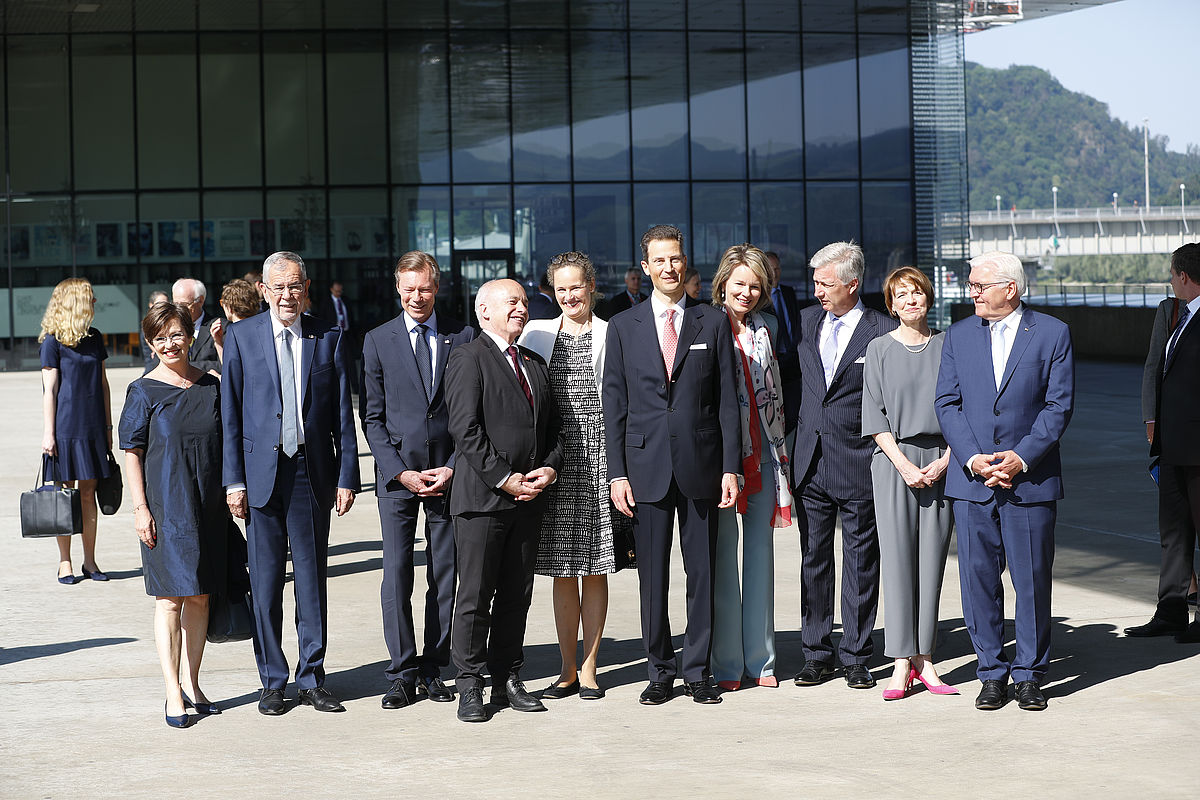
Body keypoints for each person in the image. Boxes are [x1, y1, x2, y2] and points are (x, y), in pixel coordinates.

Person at [603, 224, 741, 706]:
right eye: (659, 260)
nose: (669, 267)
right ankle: (659, 670)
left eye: (676, 258)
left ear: (686, 262)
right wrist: (616, 474)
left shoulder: (713, 321)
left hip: (703, 465)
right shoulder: (623, 326)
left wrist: (731, 467)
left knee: (702, 574)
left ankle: (697, 671)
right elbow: (613, 405)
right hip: (644, 468)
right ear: (645, 267)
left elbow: (729, 400)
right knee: (653, 577)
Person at [222, 251, 360, 716]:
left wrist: (347, 476)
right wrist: (233, 481)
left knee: (311, 579)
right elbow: (231, 416)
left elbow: (343, 411)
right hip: (260, 476)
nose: (287, 295)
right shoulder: (241, 336)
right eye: (278, 287)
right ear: (262, 290)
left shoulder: (329, 336)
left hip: (310, 474)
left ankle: (312, 676)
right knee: (264, 584)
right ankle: (272, 680)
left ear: (307, 288)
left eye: (295, 286)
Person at [935, 250, 1074, 712]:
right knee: (978, 582)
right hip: (972, 482)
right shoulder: (957, 336)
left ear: (1010, 288)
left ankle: (1030, 675)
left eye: (979, 285)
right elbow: (947, 404)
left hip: (1029, 482)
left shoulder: (1052, 334)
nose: (970, 292)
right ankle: (991, 673)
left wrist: (1020, 458)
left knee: (1032, 580)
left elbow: (1058, 407)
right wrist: (974, 459)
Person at [444, 279, 563, 723]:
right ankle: (470, 685)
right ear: (484, 311)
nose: (521, 308)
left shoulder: (532, 362)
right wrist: (505, 478)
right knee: (475, 596)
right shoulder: (468, 358)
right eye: (511, 301)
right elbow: (465, 430)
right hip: (482, 500)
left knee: (517, 595)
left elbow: (552, 427)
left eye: (524, 302)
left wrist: (549, 467)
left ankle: (507, 677)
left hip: (529, 499)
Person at [362, 251, 474, 710]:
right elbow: (371, 417)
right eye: (408, 289)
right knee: (396, 575)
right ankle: (402, 672)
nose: (416, 297)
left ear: (437, 287)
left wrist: (451, 466)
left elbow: (470, 413)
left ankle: (433, 666)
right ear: (397, 288)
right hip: (397, 478)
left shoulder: (462, 338)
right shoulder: (376, 340)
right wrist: (400, 471)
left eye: (424, 288)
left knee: (445, 575)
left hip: (448, 474)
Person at [519, 251, 630, 701]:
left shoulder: (613, 333)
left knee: (595, 569)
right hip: (554, 464)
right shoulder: (536, 334)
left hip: (599, 463)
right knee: (562, 571)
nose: (569, 296)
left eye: (576, 287)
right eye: (560, 288)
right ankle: (566, 669)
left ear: (591, 287)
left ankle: (590, 667)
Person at [791, 241, 897, 691]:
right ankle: (816, 653)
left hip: (858, 461)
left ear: (853, 285)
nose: (817, 291)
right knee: (813, 560)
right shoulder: (804, 322)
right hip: (810, 462)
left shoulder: (882, 331)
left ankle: (855, 654)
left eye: (826, 284)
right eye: (815, 282)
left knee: (860, 563)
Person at [120, 303, 229, 728]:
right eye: (160, 337)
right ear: (150, 344)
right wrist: (140, 508)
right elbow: (132, 453)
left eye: (177, 335)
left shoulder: (211, 385)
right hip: (165, 508)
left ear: (190, 336)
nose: (170, 344)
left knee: (200, 596)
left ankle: (194, 683)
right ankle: (172, 690)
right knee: (169, 599)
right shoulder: (143, 391)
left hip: (208, 505)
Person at [862, 267, 956, 700]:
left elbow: (964, 411)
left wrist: (944, 463)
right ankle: (901, 662)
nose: (911, 300)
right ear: (892, 304)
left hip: (942, 460)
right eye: (902, 295)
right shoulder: (878, 349)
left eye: (917, 293)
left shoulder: (948, 346)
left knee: (931, 562)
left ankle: (926, 660)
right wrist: (903, 466)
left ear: (929, 298)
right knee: (898, 563)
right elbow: (875, 417)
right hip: (894, 460)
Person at [708, 244, 793, 691]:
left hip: (765, 454)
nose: (747, 291)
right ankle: (725, 666)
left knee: (760, 556)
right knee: (723, 558)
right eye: (740, 282)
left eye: (755, 284)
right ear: (723, 283)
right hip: (723, 459)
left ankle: (761, 660)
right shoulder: (704, 324)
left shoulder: (768, 327)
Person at [1127, 243, 1200, 642]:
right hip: (1173, 444)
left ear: (1184, 276)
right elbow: (1156, 369)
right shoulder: (1176, 315)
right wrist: (1154, 423)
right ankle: (1171, 610)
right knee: (1173, 531)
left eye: (1173, 275)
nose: (1171, 281)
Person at [39, 277, 114, 585]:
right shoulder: (52, 342)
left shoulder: (95, 337)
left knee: (88, 495)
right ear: (76, 303)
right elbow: (50, 390)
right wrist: (49, 433)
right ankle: (65, 561)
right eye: (90, 298)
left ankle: (91, 561)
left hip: (94, 426)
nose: (94, 303)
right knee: (64, 496)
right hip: (65, 428)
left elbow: (104, 384)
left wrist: (109, 427)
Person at [763, 251, 802, 443]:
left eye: (777, 268)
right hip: (773, 358)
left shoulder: (788, 292)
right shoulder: (760, 298)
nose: (775, 272)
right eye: (771, 269)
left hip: (793, 357)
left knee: (794, 407)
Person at [150, 278, 220, 375]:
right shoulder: (166, 328)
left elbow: (224, 364)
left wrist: (184, 366)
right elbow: (155, 365)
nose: (179, 309)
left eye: (184, 304)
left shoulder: (219, 327)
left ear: (200, 300)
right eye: (175, 304)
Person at [211, 278, 262, 363]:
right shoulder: (264, 328)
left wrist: (218, 342)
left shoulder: (235, 331)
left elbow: (230, 366)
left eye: (222, 303)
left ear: (229, 306)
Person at [142, 290, 170, 370]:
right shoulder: (149, 322)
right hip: (154, 364)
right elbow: (148, 340)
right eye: (159, 303)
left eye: (166, 303)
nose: (163, 306)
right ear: (151, 305)